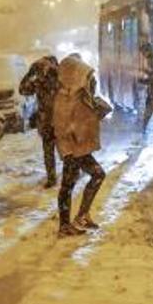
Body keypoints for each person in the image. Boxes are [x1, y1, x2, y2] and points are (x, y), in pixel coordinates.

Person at [52, 53, 108, 236]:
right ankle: (65, 225)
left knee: (96, 176)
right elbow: (62, 127)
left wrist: (99, 111)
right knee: (69, 185)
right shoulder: (64, 99)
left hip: (80, 149)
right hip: (72, 150)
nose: (90, 80)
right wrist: (69, 147)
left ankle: (80, 216)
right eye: (86, 76)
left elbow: (86, 119)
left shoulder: (79, 96)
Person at [19, 54, 61, 187]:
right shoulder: (39, 82)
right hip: (47, 122)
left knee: (66, 151)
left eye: (45, 66)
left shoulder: (60, 78)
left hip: (61, 120)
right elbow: (22, 90)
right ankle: (52, 177)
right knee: (49, 152)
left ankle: (70, 174)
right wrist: (29, 74)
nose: (43, 69)